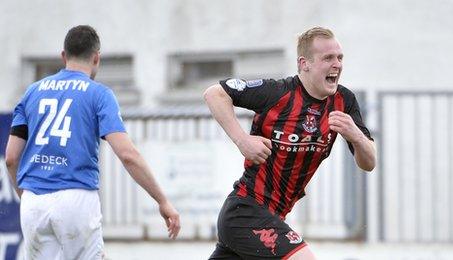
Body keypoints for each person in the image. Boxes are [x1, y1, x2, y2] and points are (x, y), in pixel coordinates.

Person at [4, 25, 181, 259]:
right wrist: (162, 200)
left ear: (63, 56)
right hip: (76, 198)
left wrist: (27, 196)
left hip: (33, 201)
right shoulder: (99, 94)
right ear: (96, 57)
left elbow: (11, 158)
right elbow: (128, 155)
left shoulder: (31, 92)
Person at [203, 26, 376, 260]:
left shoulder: (344, 100)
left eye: (340, 57)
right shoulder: (277, 93)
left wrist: (355, 134)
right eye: (328, 58)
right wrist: (242, 140)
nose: (337, 64)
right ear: (304, 63)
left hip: (272, 216)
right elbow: (214, 94)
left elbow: (369, 163)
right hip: (246, 211)